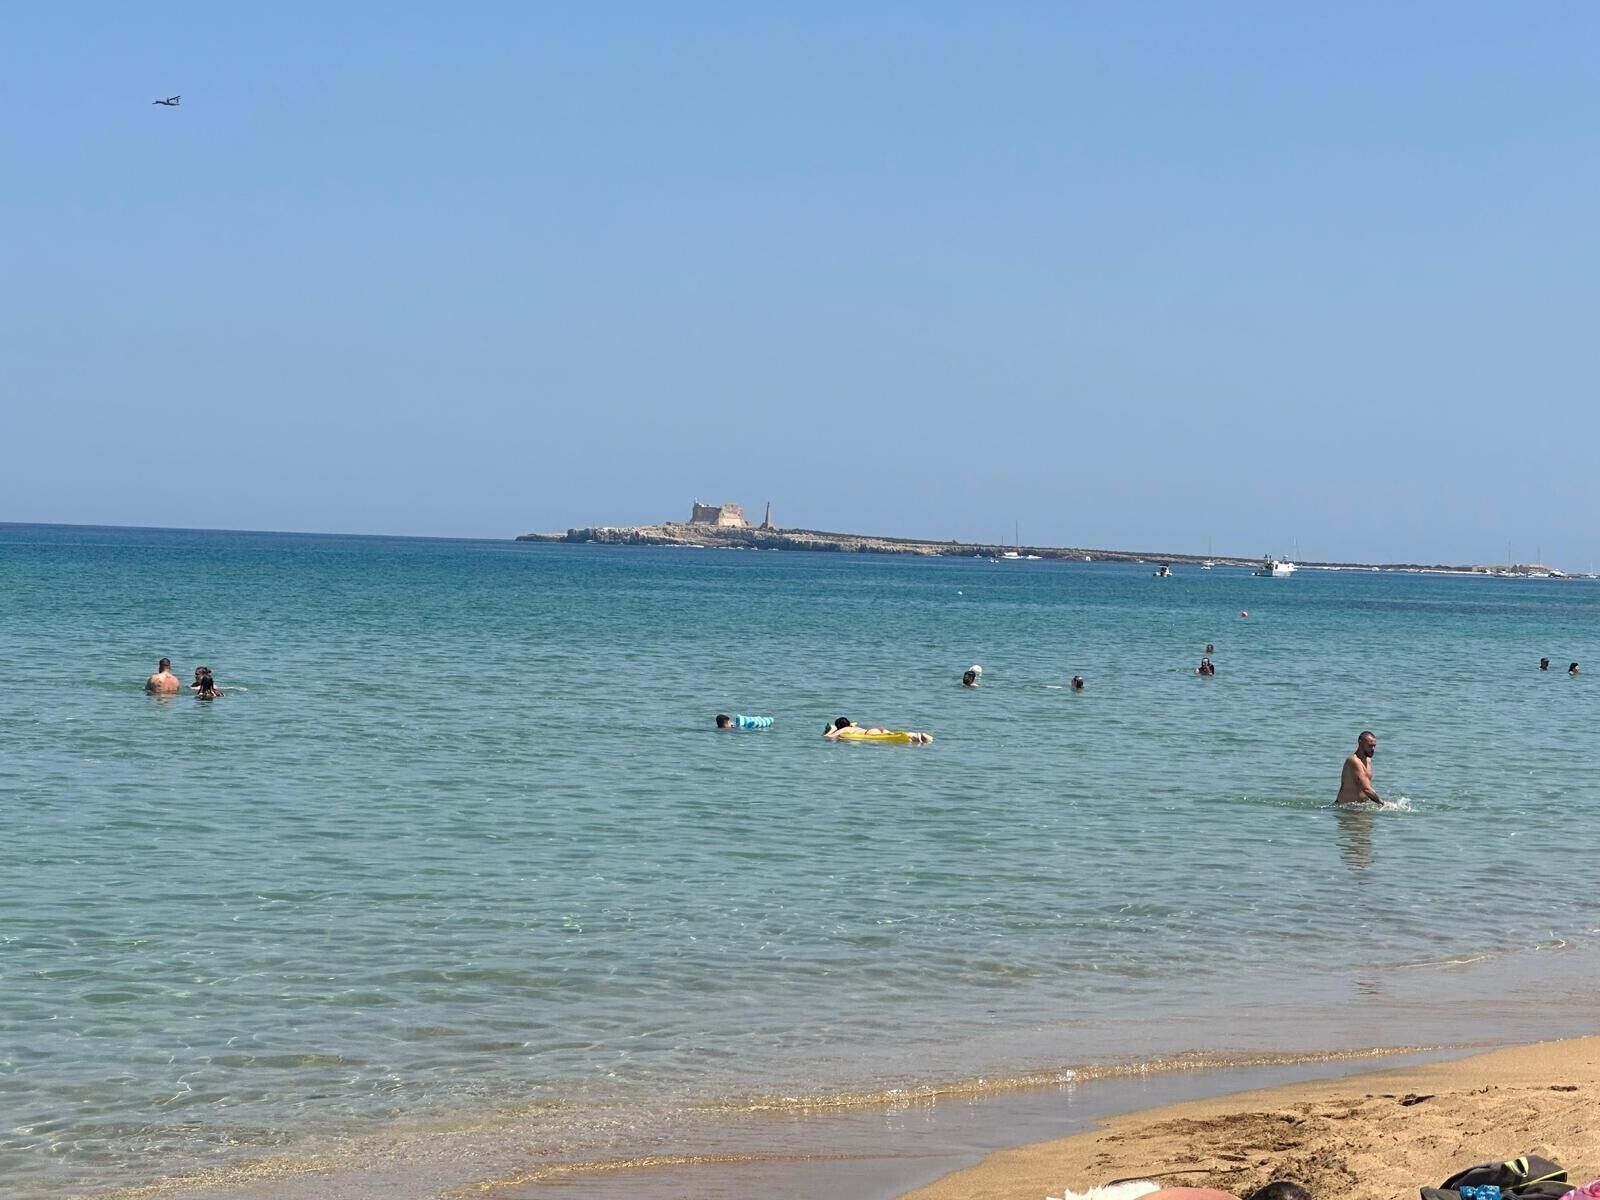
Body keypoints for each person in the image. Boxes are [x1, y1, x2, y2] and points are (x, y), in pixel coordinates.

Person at [1336, 730, 1383, 806]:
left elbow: (1367, 784)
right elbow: (1366, 789)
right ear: (1360, 743)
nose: (1373, 749)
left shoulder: (1368, 760)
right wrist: (1382, 803)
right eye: (1370, 746)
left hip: (1360, 806)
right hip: (1346, 807)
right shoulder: (1354, 761)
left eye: (1374, 746)